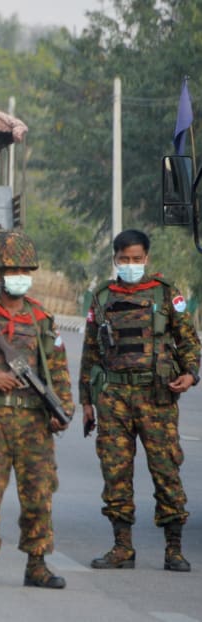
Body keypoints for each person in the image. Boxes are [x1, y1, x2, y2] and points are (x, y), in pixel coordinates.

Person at [0, 231, 72, 588]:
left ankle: (37, 565)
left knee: (38, 495)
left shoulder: (41, 319)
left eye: (23, 269)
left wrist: (61, 408)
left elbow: (59, 370)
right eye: (10, 269)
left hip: (34, 422)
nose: (18, 274)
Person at [81, 229, 200, 573]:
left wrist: (191, 373)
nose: (130, 265)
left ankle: (174, 549)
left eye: (136, 259)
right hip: (113, 397)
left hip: (156, 396)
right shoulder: (102, 297)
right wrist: (86, 402)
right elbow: (90, 353)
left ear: (146, 259)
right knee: (115, 471)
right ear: (115, 259)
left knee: (166, 470)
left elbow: (188, 340)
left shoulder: (166, 294)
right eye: (124, 259)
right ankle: (122, 547)